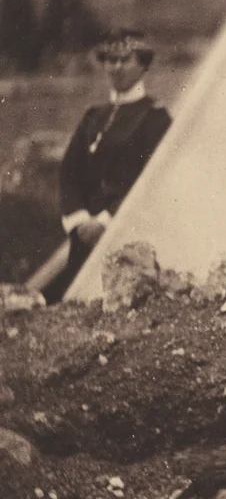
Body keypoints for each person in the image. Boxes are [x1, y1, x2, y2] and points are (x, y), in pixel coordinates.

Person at [46, 29, 171, 302]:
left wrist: (105, 221)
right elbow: (69, 171)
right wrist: (79, 220)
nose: (115, 67)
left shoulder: (155, 118)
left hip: (125, 230)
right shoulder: (93, 116)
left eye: (124, 60)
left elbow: (151, 179)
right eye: (109, 60)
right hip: (84, 235)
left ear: (143, 64)